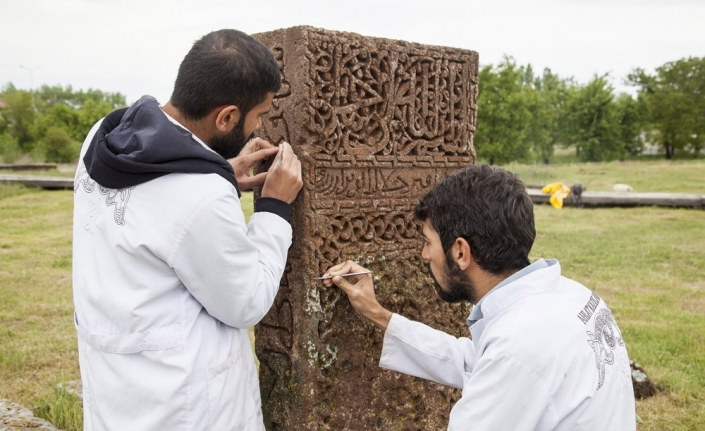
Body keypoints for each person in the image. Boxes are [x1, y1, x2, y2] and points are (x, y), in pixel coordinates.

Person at [72, 29, 302, 430]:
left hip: (120, 386)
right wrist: (273, 207)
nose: (262, 123)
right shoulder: (200, 195)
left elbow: (158, 207)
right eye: (260, 113)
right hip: (182, 405)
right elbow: (245, 301)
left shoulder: (105, 138)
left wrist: (219, 171)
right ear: (227, 116)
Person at [322, 165, 636, 430]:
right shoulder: (573, 296)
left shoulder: (520, 343)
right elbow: (480, 363)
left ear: (460, 251)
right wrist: (378, 313)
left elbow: (508, 361)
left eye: (428, 241)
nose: (424, 255)